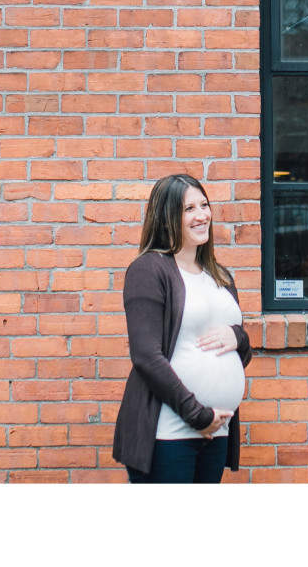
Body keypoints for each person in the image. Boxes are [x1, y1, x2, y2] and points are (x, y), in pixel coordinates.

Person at [113, 173, 251, 483]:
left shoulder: (220, 276)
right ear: (166, 218)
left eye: (204, 205)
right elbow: (146, 356)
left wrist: (238, 337)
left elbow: (240, 352)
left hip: (217, 430)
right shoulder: (149, 269)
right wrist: (198, 415)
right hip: (169, 432)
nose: (202, 215)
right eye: (189, 209)